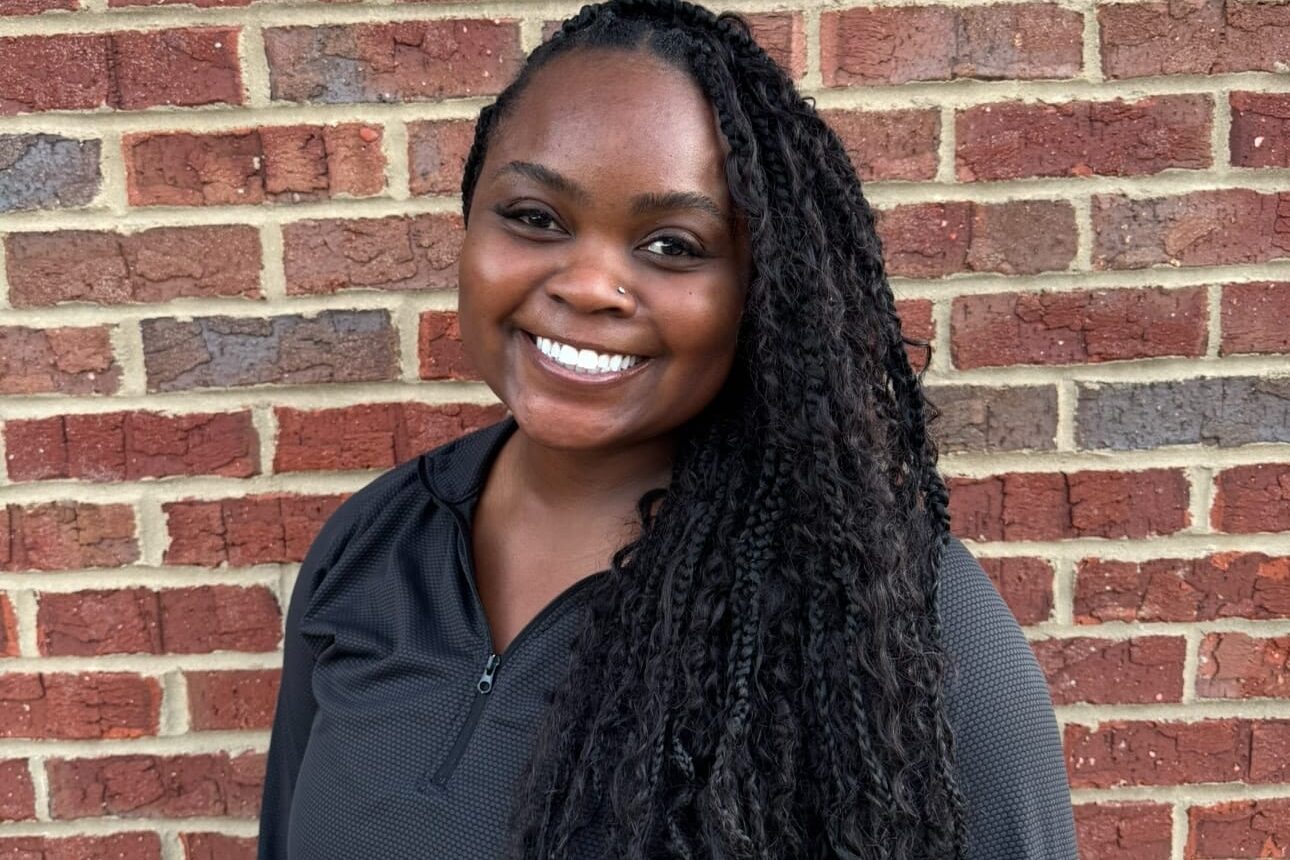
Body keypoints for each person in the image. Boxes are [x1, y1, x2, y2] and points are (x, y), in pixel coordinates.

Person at [257, 0, 1079, 857]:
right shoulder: (372, 546)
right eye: (535, 217)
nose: (588, 286)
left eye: (673, 246)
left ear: (756, 290)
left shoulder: (900, 618)